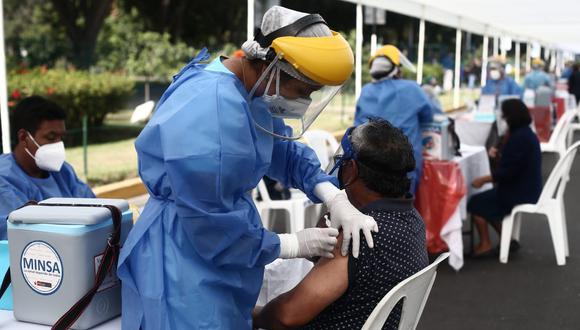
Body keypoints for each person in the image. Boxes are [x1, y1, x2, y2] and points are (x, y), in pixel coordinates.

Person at [117, 6, 378, 329]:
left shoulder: (251, 91)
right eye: (303, 91)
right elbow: (209, 220)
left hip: (223, 245)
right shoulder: (209, 109)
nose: (304, 103)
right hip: (185, 255)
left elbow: (281, 147)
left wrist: (333, 195)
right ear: (272, 66)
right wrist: (289, 244)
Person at [253, 119, 429, 329]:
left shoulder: (357, 235)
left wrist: (248, 315)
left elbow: (286, 315)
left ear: (351, 169)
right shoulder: (412, 218)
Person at [0, 96, 95, 239]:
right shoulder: (4, 180)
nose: (58, 145)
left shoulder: (62, 171)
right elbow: (23, 237)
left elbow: (95, 209)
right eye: (51, 137)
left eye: (61, 137)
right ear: (24, 138)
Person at [354, 44, 434, 193]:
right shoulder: (412, 89)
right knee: (401, 205)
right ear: (397, 70)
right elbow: (428, 117)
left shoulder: (365, 91)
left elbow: (356, 125)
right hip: (403, 163)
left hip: (368, 161)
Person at [468, 99, 541, 257]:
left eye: (505, 117)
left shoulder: (518, 138)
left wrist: (483, 179)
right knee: (486, 201)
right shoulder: (525, 133)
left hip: (519, 191)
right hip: (527, 186)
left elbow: (508, 172)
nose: (503, 120)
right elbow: (514, 164)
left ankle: (485, 244)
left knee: (475, 203)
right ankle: (507, 238)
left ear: (511, 118)